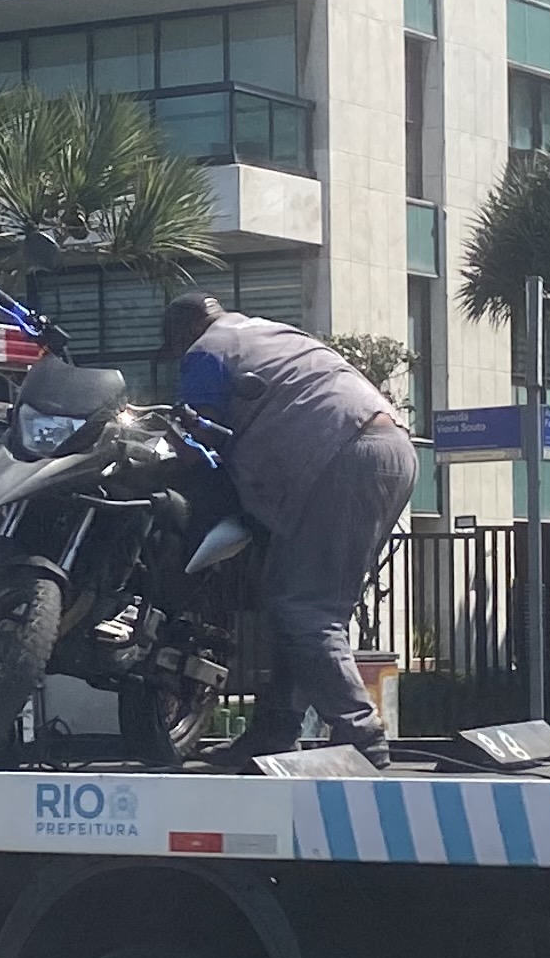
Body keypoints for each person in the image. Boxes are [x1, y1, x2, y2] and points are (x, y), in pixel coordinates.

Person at [166, 290, 419, 763]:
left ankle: (362, 738)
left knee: (304, 608)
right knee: (299, 603)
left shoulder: (207, 349)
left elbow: (197, 441)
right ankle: (276, 730)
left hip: (342, 454)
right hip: (391, 450)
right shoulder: (271, 333)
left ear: (183, 332)